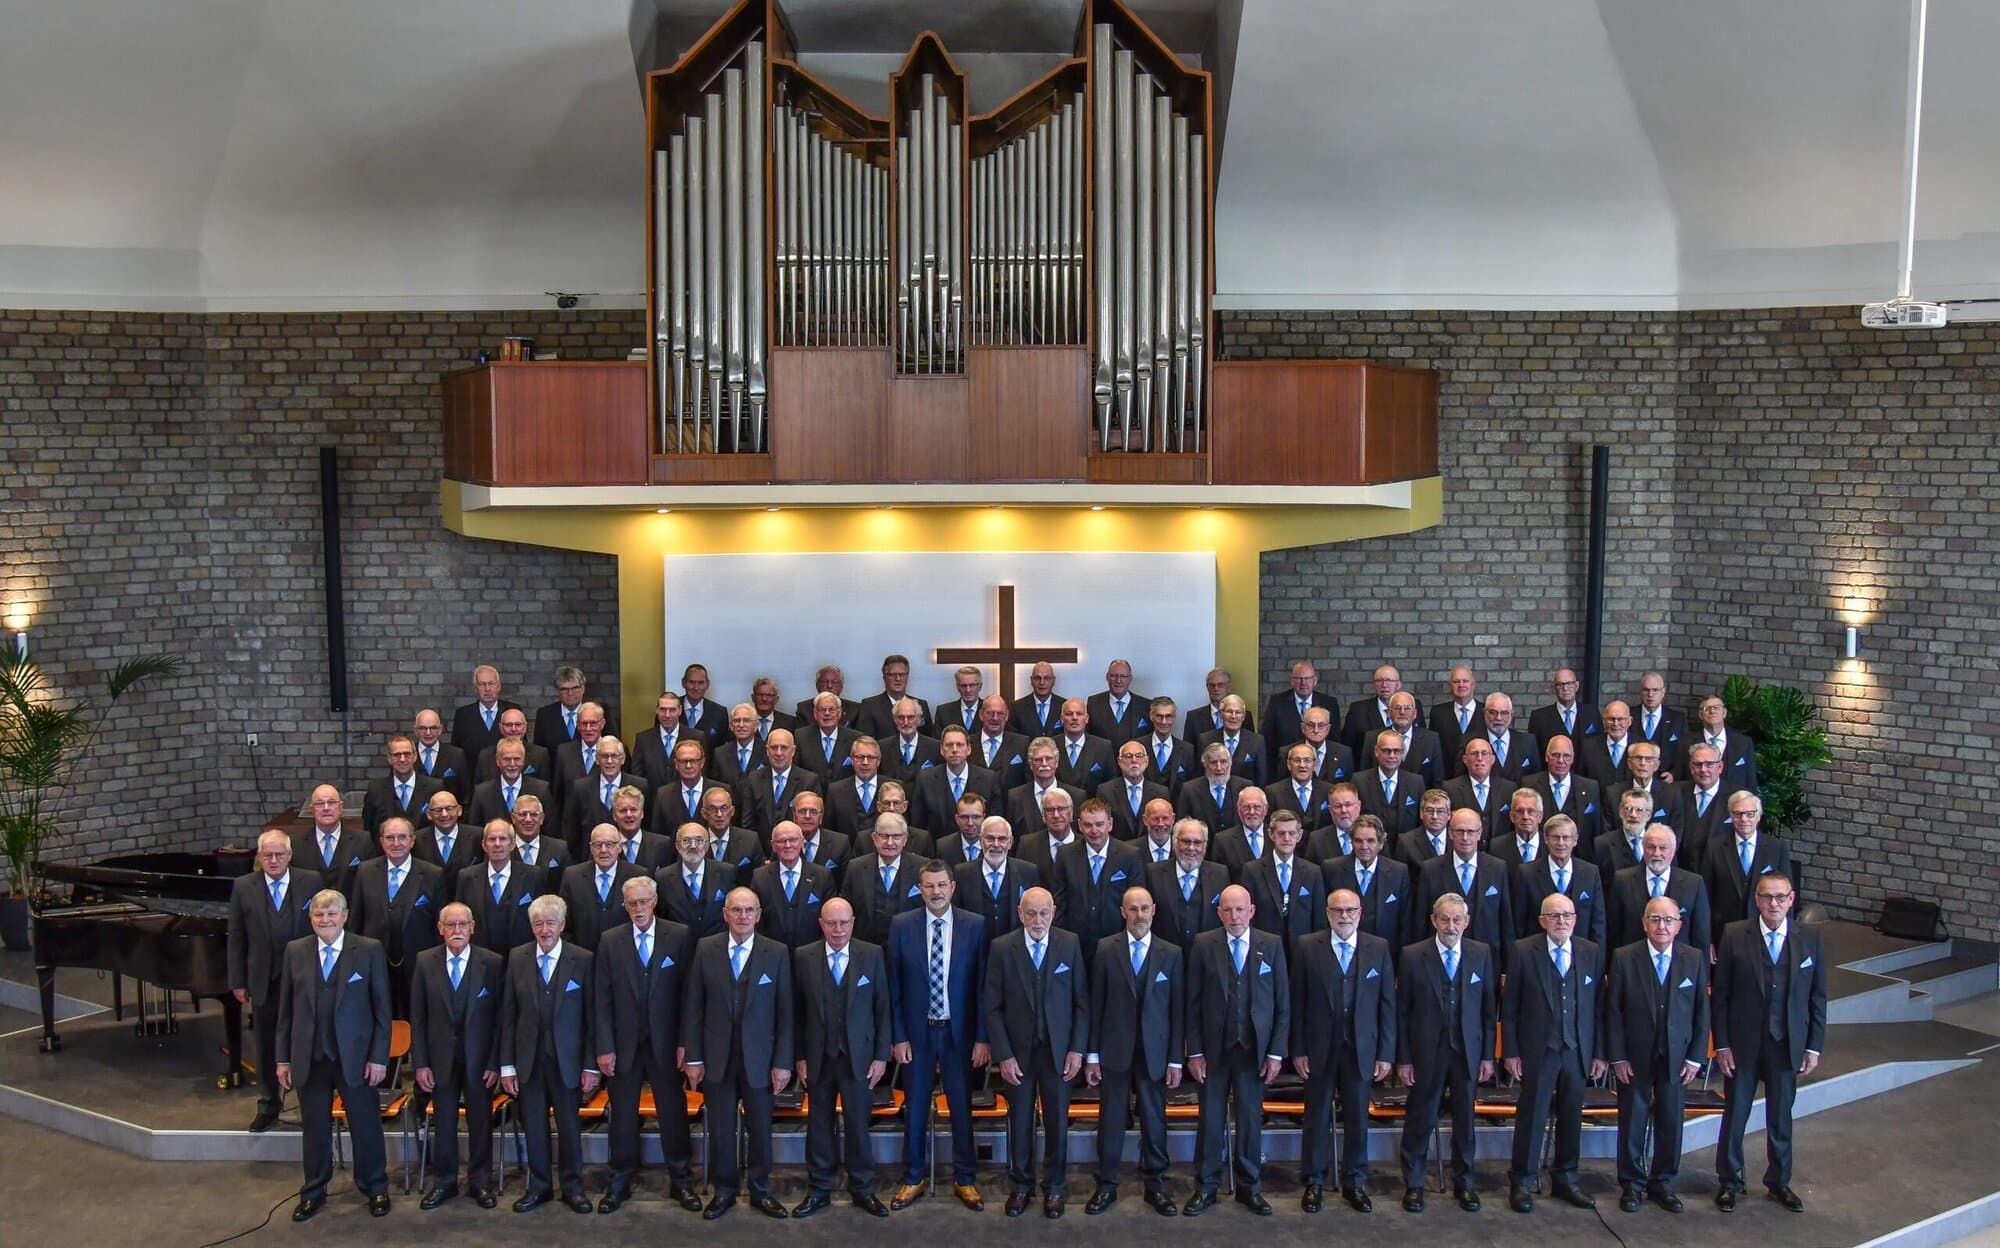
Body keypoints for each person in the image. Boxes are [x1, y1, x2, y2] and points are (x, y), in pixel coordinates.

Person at [1711, 871, 1825, 1213]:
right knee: (1735, 1115)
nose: (1773, 903)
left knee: (1781, 1117)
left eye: (1780, 897)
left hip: (1786, 1042)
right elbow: (1721, 997)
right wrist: (1722, 1044)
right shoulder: (1735, 934)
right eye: (1767, 897)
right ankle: (1730, 1181)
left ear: (1791, 900)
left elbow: (1817, 996)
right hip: (1742, 1044)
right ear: (1757, 900)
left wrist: (1813, 1045)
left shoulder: (1810, 937)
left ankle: (1779, 1182)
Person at [276, 889, 393, 1221]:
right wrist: (283, 1059)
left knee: (365, 1126)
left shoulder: (368, 950)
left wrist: (378, 1057)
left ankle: (375, 1187)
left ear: (344, 916)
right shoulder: (295, 951)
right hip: (310, 1057)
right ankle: (313, 1191)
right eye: (319, 914)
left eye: (331, 914)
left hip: (356, 1059)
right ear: (310, 918)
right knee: (314, 1129)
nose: (325, 920)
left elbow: (383, 1010)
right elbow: (285, 1012)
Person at [591, 876, 701, 1214]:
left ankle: (681, 1181)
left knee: (673, 1113)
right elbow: (601, 999)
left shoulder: (678, 935)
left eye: (643, 902)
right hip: (623, 1044)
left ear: (654, 902)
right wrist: (604, 1046)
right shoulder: (610, 940)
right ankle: (618, 1182)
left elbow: (690, 995)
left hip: (666, 1044)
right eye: (632, 903)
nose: (638, 908)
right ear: (624, 906)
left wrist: (685, 1043)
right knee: (622, 1115)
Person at [684, 887, 795, 1219]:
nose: (743, 916)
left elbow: (786, 1013)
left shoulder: (776, 952)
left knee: (760, 1129)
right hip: (717, 1057)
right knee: (720, 1129)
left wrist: (783, 1062)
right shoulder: (706, 949)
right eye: (736, 910)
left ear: (758, 915)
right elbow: (694, 1007)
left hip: (761, 1059)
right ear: (725, 914)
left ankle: (761, 1190)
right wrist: (694, 1057)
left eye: (749, 910)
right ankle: (724, 1191)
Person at [886, 859, 991, 1210]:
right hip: (917, 1035)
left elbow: (982, 987)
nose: (936, 892)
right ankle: (913, 1177)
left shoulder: (975, 926)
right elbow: (894, 987)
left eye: (941, 885)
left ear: (952, 887)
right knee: (915, 1109)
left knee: (961, 1109)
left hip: (958, 1035)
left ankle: (965, 1178)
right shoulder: (901, 926)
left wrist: (982, 1037)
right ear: (920, 889)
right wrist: (899, 1036)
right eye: (929, 886)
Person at [1181, 884, 1289, 1217]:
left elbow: (1282, 1004)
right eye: (1227, 910)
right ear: (1219, 913)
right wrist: (1194, 1052)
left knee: (1250, 1119)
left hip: (1253, 1051)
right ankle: (1206, 1187)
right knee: (1210, 1120)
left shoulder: (1271, 945)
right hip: (1213, 1051)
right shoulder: (1204, 944)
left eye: (1240, 909)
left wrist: (1276, 1053)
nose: (1234, 916)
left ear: (1251, 911)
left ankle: (1249, 1187)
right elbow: (1191, 1003)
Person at [984, 886, 1088, 1218]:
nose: (1038, 920)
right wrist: (1004, 1055)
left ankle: (1054, 1187)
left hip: (1059, 1054)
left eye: (1044, 913)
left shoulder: (1069, 944)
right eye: (1031, 913)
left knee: (1057, 1121)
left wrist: (1077, 1050)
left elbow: (1081, 1003)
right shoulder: (1002, 948)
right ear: (1020, 913)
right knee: (1020, 1120)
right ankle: (1021, 1186)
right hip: (1018, 1055)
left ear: (1053, 913)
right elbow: (992, 1008)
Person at [1291, 888, 1395, 1214]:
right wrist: (1298, 1049)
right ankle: (1314, 1181)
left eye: (1350, 910)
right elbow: (1297, 1003)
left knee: (1358, 1118)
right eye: (1338, 910)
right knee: (1316, 1116)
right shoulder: (1307, 946)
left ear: (1360, 913)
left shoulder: (1379, 948)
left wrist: (1385, 1052)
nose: (1344, 916)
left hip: (1362, 1048)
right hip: (1318, 1048)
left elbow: (1386, 1005)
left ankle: (1355, 1182)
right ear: (1327, 913)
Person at [1501, 892, 1605, 1213]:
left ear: (1575, 919)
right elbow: (1510, 1007)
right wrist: (1511, 1051)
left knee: (1572, 1116)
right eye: (1554, 916)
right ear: (1542, 921)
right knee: (1532, 1115)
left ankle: (1566, 1179)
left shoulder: (1590, 951)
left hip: (1577, 1049)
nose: (1561, 921)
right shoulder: (1523, 951)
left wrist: (1599, 1052)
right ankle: (1522, 1180)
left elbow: (1598, 1007)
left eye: (1567, 915)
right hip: (1538, 1050)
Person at [1604, 897, 1710, 1213]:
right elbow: (1613, 1012)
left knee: (1671, 1121)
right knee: (1632, 1120)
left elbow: (1701, 1012)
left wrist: (1695, 1057)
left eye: (1668, 920)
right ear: (1644, 923)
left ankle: (1663, 1183)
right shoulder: (1624, 957)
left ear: (1679, 925)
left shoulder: (1694, 958)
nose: (1661, 926)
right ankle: (1632, 1184)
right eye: (1655, 919)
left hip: (1677, 1058)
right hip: (1634, 1057)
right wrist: (1617, 1057)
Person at [1084, 886, 1184, 1217]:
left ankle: (1156, 1186)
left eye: (1144, 908)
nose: (1139, 915)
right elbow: (1096, 1005)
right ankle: (1106, 1184)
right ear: (1122, 912)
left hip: (1155, 1053)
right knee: (1111, 1120)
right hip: (1114, 1050)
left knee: (1154, 1120)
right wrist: (1092, 1055)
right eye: (1133, 909)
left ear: (1154, 910)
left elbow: (1177, 1012)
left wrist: (1175, 1058)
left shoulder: (1171, 953)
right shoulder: (1105, 949)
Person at [791, 897, 893, 1218]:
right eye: (831, 923)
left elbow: (883, 1008)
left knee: (858, 1125)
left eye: (844, 923)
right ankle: (819, 1189)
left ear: (853, 923)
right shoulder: (804, 956)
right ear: (821, 924)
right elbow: (796, 1013)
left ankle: (862, 1188)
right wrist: (799, 1057)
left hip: (859, 1058)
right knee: (818, 1125)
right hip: (818, 1057)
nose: (838, 930)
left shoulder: (871, 954)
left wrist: (881, 1056)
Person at [1395, 893, 1496, 1214]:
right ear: (1433, 921)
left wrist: (1487, 1056)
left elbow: (1488, 1010)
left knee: (1465, 1122)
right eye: (1444, 919)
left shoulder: (1481, 953)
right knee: (1420, 1119)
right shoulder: (1412, 955)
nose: (1450, 926)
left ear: (1466, 922)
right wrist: (1404, 1058)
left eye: (1457, 920)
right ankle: (1414, 1184)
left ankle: (1464, 1184)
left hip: (1467, 1051)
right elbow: (1402, 1013)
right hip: (1426, 1052)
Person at [498, 894, 598, 1213]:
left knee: (569, 1127)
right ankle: (539, 1186)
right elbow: (508, 1015)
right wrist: (507, 1066)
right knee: (534, 1127)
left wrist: (590, 1065)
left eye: (550, 923)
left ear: (562, 925)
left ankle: (573, 1188)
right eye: (539, 923)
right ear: (531, 926)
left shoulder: (582, 959)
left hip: (568, 1062)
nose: (544, 930)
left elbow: (592, 1018)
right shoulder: (517, 957)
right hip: (528, 1061)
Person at [410, 902, 504, 1209]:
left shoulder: (491, 963)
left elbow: (501, 1019)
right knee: (444, 1122)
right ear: (440, 929)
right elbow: (418, 1017)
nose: (457, 930)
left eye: (463, 924)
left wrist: (494, 1062)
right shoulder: (425, 962)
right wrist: (420, 1063)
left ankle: (480, 1182)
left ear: (472, 927)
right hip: (439, 1061)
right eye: (450, 925)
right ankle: (445, 1181)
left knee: (481, 1122)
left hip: (480, 1062)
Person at [228, 830, 323, 1132]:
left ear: (290, 855)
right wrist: (238, 980)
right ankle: (269, 1104)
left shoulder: (311, 881)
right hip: (263, 980)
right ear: (259, 857)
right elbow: (237, 937)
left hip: (303, 979)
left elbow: (324, 928)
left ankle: (311, 1105)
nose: (273, 860)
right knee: (267, 1044)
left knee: (307, 1041)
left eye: (279, 855)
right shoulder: (244, 887)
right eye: (267, 855)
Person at [346, 816, 442, 1017]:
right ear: (381, 842)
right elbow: (356, 920)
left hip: (417, 964)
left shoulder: (432, 874)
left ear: (412, 840)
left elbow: (439, 926)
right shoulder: (365, 871)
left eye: (402, 837)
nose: (396, 843)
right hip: (375, 962)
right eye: (390, 838)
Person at [1416, 808, 1514, 975]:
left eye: (1471, 832)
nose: (1465, 837)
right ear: (1450, 833)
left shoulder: (1497, 868)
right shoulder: (1431, 870)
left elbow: (1505, 921)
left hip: (1488, 962)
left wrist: (1507, 969)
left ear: (1479, 833)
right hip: (1442, 961)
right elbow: (1421, 922)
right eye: (1460, 831)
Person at [1050, 799, 1142, 971]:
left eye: (1099, 824)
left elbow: (1135, 905)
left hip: (1116, 948)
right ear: (1080, 825)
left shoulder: (1129, 856)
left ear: (1110, 824)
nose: (1094, 831)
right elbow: (1059, 904)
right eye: (1088, 825)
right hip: (1076, 948)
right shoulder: (1065, 855)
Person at [1608, 823, 1710, 955]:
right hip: (1632, 962)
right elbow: (1613, 933)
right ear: (1643, 848)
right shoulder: (1622, 881)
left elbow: (1701, 937)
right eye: (1651, 847)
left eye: (1663, 848)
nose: (1657, 853)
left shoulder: (1694, 884)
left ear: (1673, 851)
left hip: (1680, 963)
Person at [1701, 790, 1794, 931]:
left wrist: (1787, 932)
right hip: (1723, 929)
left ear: (1758, 816)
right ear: (1731, 816)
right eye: (1738, 814)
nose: (1744, 819)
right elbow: (1706, 896)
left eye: (1750, 814)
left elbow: (1787, 891)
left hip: (1764, 928)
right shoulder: (1714, 847)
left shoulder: (1776, 848)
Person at [1514, 813, 1606, 948]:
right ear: (1546, 839)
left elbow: (1598, 923)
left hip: (1581, 955)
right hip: (1538, 954)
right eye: (1555, 837)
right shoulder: (1527, 873)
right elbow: (1519, 924)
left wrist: (1597, 957)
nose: (1561, 843)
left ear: (1575, 840)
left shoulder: (1590, 873)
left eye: (1566, 838)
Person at [457, 818, 543, 955]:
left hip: (519, 956)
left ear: (512, 844)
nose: (497, 844)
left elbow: (539, 918)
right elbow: (460, 918)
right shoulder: (467, 877)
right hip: (480, 957)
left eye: (502, 839)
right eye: (492, 839)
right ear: (484, 845)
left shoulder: (532, 876)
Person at [1324, 815, 1412, 947]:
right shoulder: (1332, 869)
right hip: (1342, 948)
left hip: (1385, 951)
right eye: (1358, 841)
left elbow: (1405, 922)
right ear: (1351, 842)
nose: (1364, 846)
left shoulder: (1398, 872)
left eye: (1370, 841)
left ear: (1381, 844)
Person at [558, 824, 645, 950]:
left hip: (624, 955)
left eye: (609, 844)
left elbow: (644, 922)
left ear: (620, 847)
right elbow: (564, 923)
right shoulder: (572, 877)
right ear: (591, 848)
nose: (603, 850)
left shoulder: (637, 875)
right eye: (598, 845)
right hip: (583, 956)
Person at [952, 815, 1040, 938]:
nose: (996, 844)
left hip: (1013, 946)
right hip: (975, 944)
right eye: (990, 838)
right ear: (980, 841)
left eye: (1002, 839)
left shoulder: (1027, 872)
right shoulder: (962, 873)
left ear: (1010, 842)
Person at [1147, 818, 1227, 951]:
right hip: (1165, 954)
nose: (1191, 847)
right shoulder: (1153, 873)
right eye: (1185, 841)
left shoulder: (1220, 874)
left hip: (1206, 954)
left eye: (1197, 842)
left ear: (1205, 846)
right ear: (1174, 843)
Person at [752, 820, 833, 948]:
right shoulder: (760, 878)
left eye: (793, 840)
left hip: (811, 953)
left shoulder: (822, 876)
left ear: (802, 842)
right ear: (773, 845)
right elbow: (757, 922)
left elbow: (829, 919)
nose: (788, 845)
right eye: (781, 841)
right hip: (772, 952)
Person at [289, 783, 368, 900]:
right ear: (312, 810)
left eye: (331, 802)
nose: (326, 808)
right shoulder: (295, 845)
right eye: (320, 803)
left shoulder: (364, 841)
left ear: (341, 807)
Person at [362, 732, 442, 838]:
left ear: (415, 756)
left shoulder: (434, 787)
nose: (402, 759)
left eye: (407, 754)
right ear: (389, 759)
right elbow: (369, 828)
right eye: (397, 755)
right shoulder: (375, 790)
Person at [1262, 660, 1341, 763]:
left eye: (1307, 678)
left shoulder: (1329, 703)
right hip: (1286, 764)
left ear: (1315, 681)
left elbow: (1335, 739)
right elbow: (1267, 739)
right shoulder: (1277, 702)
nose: (1303, 683)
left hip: (1320, 765)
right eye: (1298, 678)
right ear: (1292, 681)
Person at [469, 737, 554, 830]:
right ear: (498, 761)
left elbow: (550, 829)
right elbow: (475, 830)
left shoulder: (541, 790)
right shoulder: (482, 793)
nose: (512, 764)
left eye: (517, 759)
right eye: (507, 759)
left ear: (523, 760)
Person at [1099, 738, 1171, 841]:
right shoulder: (1105, 791)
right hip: (1119, 848)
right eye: (1128, 756)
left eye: (1139, 756)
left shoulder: (1161, 792)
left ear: (1146, 761)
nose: (1134, 760)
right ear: (1119, 761)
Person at [853, 653, 932, 741]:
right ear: (884, 677)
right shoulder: (870, 706)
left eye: (902, 674)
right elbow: (866, 741)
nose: (898, 679)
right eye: (892, 675)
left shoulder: (921, 705)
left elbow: (928, 739)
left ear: (907, 676)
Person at [451, 664, 518, 764]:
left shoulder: (513, 711)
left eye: (491, 683)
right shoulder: (463, 715)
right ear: (475, 688)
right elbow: (456, 752)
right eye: (482, 684)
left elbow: (522, 746)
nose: (487, 689)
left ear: (498, 686)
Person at [1430, 665, 1485, 775]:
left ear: (1473, 684)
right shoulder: (1438, 713)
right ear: (1450, 686)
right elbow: (1433, 748)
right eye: (1456, 682)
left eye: (1465, 681)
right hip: (1446, 778)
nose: (1461, 685)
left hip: (1478, 777)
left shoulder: (1486, 712)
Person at [1529, 669, 1600, 752]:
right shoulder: (1539, 718)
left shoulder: (1592, 713)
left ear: (1576, 686)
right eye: (1560, 684)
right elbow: (1534, 752)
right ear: (1554, 688)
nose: (1565, 688)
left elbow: (1600, 745)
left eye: (1569, 683)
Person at [414, 707, 474, 802]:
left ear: (440, 729)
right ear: (415, 730)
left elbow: (466, 793)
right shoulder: (405, 755)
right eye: (423, 728)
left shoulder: (456, 755)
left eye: (433, 728)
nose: (428, 733)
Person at [1341, 664, 1402, 758]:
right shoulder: (1358, 710)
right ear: (1374, 685)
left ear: (1398, 685)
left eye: (1389, 680)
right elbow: (1347, 746)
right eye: (1379, 681)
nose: (1384, 685)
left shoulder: (1411, 706)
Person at [1086, 658, 1149, 746]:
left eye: (1123, 676)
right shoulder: (1093, 703)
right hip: (1102, 755)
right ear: (1107, 677)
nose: (1118, 681)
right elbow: (1087, 737)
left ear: (1130, 678)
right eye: (1114, 676)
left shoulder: (1146, 705)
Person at [532, 664, 588, 754]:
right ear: (557, 691)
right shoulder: (544, 715)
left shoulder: (597, 711)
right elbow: (539, 752)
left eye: (575, 688)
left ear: (583, 688)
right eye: (564, 689)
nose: (570, 693)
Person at [1185, 667, 1252, 743]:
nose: (1216, 688)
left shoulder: (1245, 716)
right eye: (1212, 685)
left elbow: (1251, 745)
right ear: (1207, 688)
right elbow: (1188, 748)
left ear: (1229, 687)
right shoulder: (1193, 717)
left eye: (1220, 685)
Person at [1008, 661, 1065, 737]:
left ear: (1053, 681)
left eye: (1047, 678)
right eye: (1037, 678)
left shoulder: (1064, 706)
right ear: (1031, 680)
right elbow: (1013, 739)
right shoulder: (1017, 707)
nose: (1042, 682)